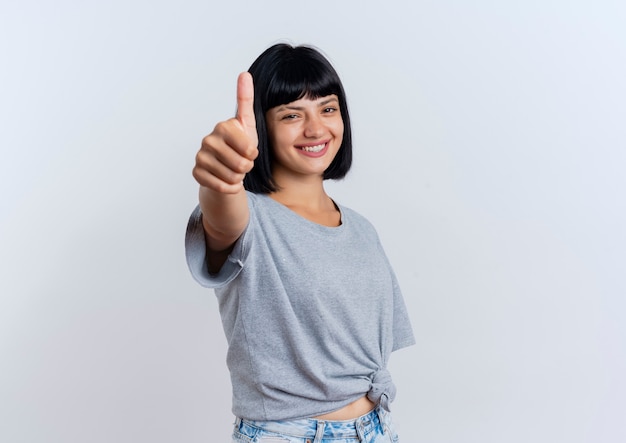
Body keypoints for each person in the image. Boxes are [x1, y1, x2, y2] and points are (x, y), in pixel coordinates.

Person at [185, 43, 415, 443]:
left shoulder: (361, 229)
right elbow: (223, 219)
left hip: (376, 428)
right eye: (292, 115)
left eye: (327, 108)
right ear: (260, 125)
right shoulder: (251, 218)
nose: (315, 129)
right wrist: (219, 181)